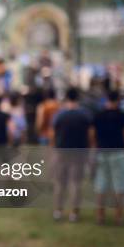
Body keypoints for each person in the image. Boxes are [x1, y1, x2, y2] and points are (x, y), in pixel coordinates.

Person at [50, 87, 91, 222]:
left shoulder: (59, 115)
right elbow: (90, 134)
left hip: (62, 152)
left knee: (60, 184)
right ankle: (74, 213)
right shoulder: (85, 115)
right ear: (77, 98)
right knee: (76, 184)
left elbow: (53, 135)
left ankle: (58, 211)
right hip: (79, 152)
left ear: (66, 98)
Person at [91, 91, 124, 225]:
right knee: (120, 185)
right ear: (118, 100)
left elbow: (92, 135)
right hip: (119, 152)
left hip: (102, 152)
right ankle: (118, 217)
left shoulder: (98, 116)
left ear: (106, 99)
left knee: (101, 185)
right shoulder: (123, 116)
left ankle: (100, 217)